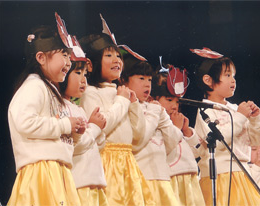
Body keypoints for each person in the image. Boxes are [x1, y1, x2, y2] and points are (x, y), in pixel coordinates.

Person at [7, 19, 82, 205]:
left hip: (57, 172)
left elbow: (56, 132)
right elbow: (25, 122)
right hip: (42, 173)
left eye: (69, 56)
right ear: (41, 58)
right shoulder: (34, 85)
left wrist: (74, 133)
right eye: (64, 55)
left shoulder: (50, 89)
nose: (68, 62)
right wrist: (65, 124)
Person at [79, 24, 154, 205]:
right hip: (107, 161)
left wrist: (134, 104)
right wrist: (122, 101)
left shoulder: (121, 92)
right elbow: (102, 125)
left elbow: (139, 135)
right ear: (92, 62)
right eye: (109, 55)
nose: (117, 60)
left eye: (118, 56)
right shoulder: (90, 92)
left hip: (127, 162)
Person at [192, 47, 260, 205]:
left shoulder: (234, 108)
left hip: (242, 174)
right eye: (227, 75)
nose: (233, 80)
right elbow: (218, 142)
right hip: (219, 177)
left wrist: (255, 119)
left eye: (233, 76)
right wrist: (240, 117)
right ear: (208, 80)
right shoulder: (205, 110)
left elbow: (255, 141)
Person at [57, 13, 109, 206]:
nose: (83, 79)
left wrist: (98, 131)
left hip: (95, 182)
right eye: (77, 73)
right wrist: (94, 128)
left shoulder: (76, 107)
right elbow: (73, 145)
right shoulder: (62, 108)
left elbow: (95, 145)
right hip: (79, 184)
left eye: (85, 73)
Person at [120, 48, 183, 206]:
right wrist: (155, 114)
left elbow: (173, 141)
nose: (147, 84)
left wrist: (159, 115)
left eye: (149, 80)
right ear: (124, 80)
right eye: (141, 78)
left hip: (162, 177)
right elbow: (138, 140)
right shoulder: (126, 106)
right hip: (141, 178)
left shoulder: (153, 108)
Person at [151, 60, 205, 206]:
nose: (174, 106)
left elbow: (197, 153)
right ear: (154, 98)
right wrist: (175, 128)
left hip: (190, 179)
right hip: (171, 180)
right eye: (169, 100)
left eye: (177, 101)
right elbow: (164, 150)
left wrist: (186, 132)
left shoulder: (178, 123)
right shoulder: (154, 121)